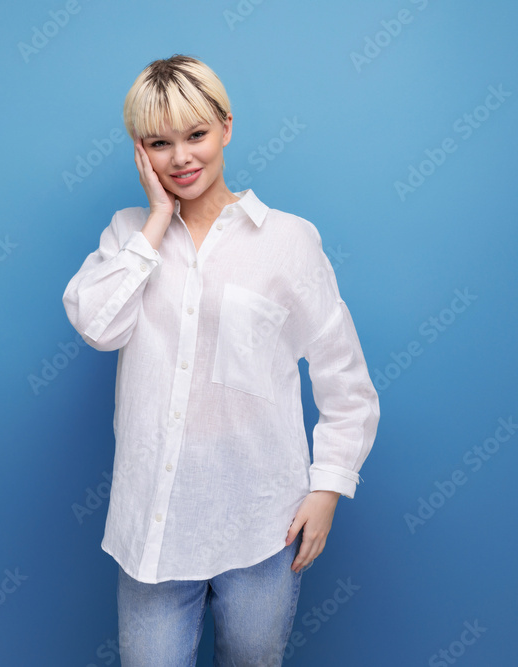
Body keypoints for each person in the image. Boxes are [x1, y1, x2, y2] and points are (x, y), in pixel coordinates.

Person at [62, 54, 379, 665]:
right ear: (140, 152)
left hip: (263, 526)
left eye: (196, 135)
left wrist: (329, 489)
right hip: (153, 535)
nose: (181, 158)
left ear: (226, 127)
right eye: (160, 143)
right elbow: (98, 328)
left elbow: (348, 383)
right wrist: (156, 223)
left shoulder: (288, 241)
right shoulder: (128, 236)